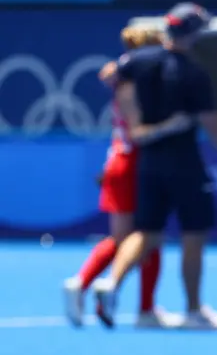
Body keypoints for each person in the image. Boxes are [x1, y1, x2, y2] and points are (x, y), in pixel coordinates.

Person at [93, 3, 217, 330]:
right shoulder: (194, 72)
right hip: (184, 162)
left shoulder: (138, 60)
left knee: (146, 232)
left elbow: (109, 74)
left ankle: (111, 282)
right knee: (194, 234)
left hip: (148, 160)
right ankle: (193, 310)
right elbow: (212, 122)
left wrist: (134, 115)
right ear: (193, 34)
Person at [63, 26, 189, 328]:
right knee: (146, 236)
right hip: (132, 163)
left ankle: (98, 289)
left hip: (121, 161)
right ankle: (133, 305)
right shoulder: (131, 83)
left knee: (136, 238)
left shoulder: (128, 78)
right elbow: (137, 132)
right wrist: (174, 124)